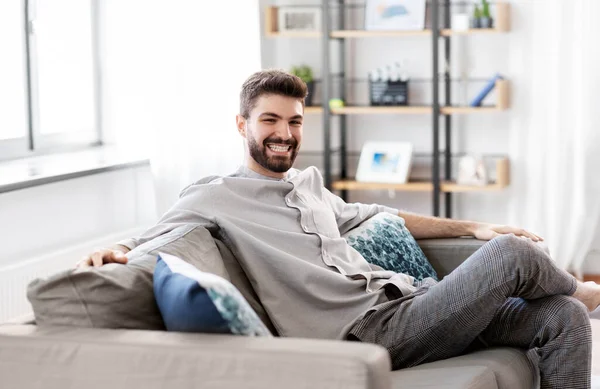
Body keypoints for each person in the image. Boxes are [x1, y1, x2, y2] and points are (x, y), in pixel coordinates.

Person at [78, 69, 593, 388]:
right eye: (269, 121)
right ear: (243, 125)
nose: (284, 134)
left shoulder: (308, 186)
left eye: (295, 122)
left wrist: (474, 225)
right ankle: (588, 290)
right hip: (365, 334)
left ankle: (576, 299)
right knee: (512, 256)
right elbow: (157, 234)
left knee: (562, 318)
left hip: (406, 305)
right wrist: (116, 248)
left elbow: (377, 215)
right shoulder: (216, 194)